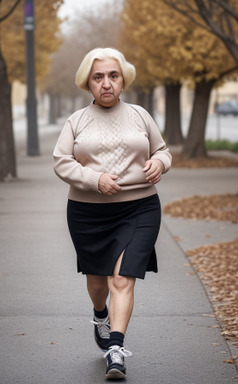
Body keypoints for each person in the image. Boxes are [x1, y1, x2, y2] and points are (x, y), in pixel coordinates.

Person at [53, 47, 172, 380]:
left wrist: (159, 162)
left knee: (122, 278)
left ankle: (115, 349)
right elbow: (62, 161)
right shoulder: (76, 121)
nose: (106, 83)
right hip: (88, 212)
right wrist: (94, 179)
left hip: (140, 206)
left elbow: (162, 150)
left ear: (123, 80)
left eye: (113, 76)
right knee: (97, 282)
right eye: (98, 77)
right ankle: (100, 313)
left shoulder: (139, 115)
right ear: (88, 83)